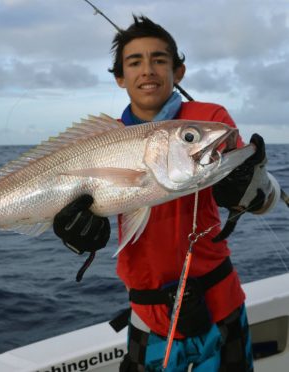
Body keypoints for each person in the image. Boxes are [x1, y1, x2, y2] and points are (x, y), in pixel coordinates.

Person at [53, 16, 280, 371]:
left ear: (179, 71)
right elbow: (67, 200)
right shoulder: (100, 141)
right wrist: (74, 233)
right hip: (146, 311)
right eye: (134, 62)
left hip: (220, 300)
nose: (148, 70)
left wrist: (250, 188)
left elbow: (264, 197)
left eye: (160, 60)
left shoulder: (208, 121)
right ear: (119, 77)